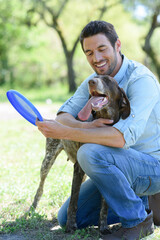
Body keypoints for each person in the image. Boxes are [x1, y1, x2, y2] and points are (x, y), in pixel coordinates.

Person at [36, 20, 160, 239]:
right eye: (89, 52)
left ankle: (138, 221)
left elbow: (120, 138)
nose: (96, 58)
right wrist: (86, 125)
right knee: (67, 218)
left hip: (152, 165)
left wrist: (65, 132)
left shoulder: (141, 80)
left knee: (89, 152)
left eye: (102, 49)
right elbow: (63, 116)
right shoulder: (94, 82)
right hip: (120, 166)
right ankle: (140, 202)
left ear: (117, 45)